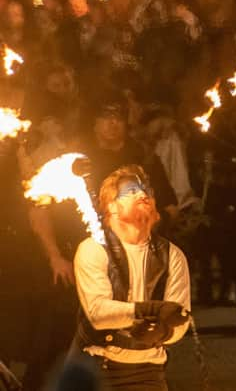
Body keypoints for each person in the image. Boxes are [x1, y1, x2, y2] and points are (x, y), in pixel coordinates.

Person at [71, 165, 190, 391]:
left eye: (146, 190)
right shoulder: (93, 249)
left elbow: (180, 316)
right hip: (98, 368)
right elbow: (98, 313)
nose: (143, 194)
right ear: (112, 206)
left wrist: (163, 332)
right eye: (130, 192)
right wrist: (150, 310)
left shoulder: (172, 254)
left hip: (150, 369)